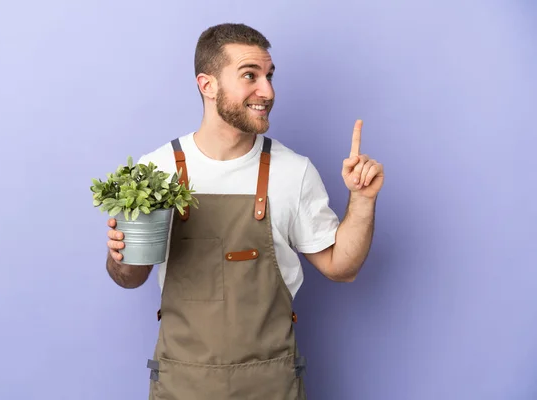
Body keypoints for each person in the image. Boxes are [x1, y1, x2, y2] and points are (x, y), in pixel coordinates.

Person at [104, 23, 384, 400]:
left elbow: (341, 267)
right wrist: (120, 254)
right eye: (250, 76)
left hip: (272, 386)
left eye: (269, 76)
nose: (267, 91)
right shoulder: (157, 171)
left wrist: (363, 200)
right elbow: (129, 278)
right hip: (182, 385)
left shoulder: (293, 171)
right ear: (207, 85)